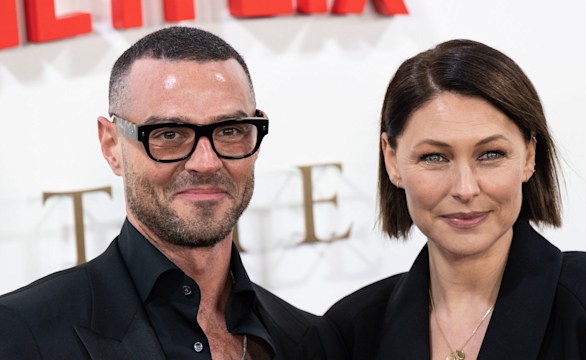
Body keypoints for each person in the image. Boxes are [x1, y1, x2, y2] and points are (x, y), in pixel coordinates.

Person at [0, 26, 344, 360]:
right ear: (111, 145)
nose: (206, 162)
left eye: (229, 130)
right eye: (168, 134)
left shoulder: (309, 339)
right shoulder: (23, 332)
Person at [325, 39, 586, 359]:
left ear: (529, 155)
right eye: (434, 157)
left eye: (491, 154)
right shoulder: (351, 330)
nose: (465, 189)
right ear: (392, 160)